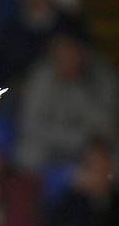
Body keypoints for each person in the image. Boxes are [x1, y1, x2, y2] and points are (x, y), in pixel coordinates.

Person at [15, 28, 117, 171]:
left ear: (82, 51)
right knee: (27, 155)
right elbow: (29, 124)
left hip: (90, 148)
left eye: (69, 49)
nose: (64, 57)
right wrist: (72, 138)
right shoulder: (42, 76)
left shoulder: (103, 76)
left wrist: (76, 86)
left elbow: (104, 126)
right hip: (50, 145)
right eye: (58, 51)